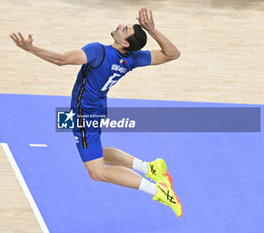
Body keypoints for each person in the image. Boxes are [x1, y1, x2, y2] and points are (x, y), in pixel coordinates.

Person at [10, 8, 182, 217]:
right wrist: (152, 31)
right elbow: (172, 54)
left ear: (125, 43)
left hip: (83, 113)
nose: (120, 25)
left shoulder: (97, 51)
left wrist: (31, 49)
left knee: (97, 172)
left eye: (124, 28)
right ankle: (149, 168)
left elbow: (61, 60)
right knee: (96, 154)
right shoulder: (132, 58)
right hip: (97, 109)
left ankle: (158, 190)